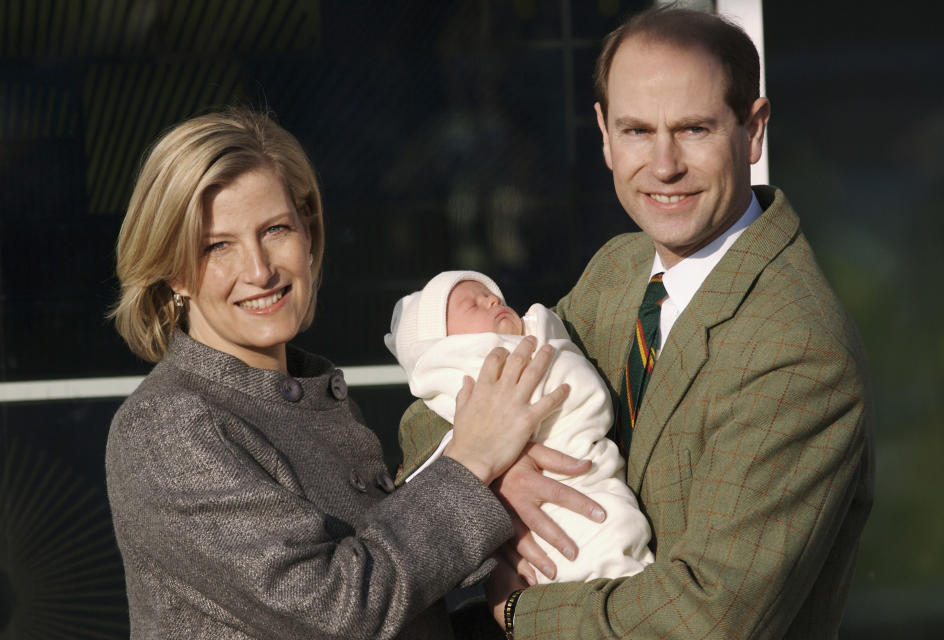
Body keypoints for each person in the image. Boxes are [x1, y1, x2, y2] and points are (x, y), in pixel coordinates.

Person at [398, 7, 875, 638]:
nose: (664, 164)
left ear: (753, 130)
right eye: (636, 131)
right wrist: (498, 470)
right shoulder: (619, 270)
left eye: (694, 129)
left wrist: (516, 613)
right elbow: (441, 396)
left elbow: (706, 619)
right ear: (602, 133)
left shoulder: (796, 351)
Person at [104, 107, 575, 639]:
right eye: (217, 246)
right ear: (173, 274)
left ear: (308, 233)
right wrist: (472, 462)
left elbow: (399, 604)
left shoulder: (309, 397)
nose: (259, 271)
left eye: (275, 229)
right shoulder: (167, 428)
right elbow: (337, 613)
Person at [384, 270, 654, 584]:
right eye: (473, 305)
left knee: (617, 533)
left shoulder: (544, 332)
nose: (491, 300)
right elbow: (430, 437)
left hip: (592, 475)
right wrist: (487, 475)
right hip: (560, 509)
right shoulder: (463, 372)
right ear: (442, 346)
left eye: (493, 296)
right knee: (596, 544)